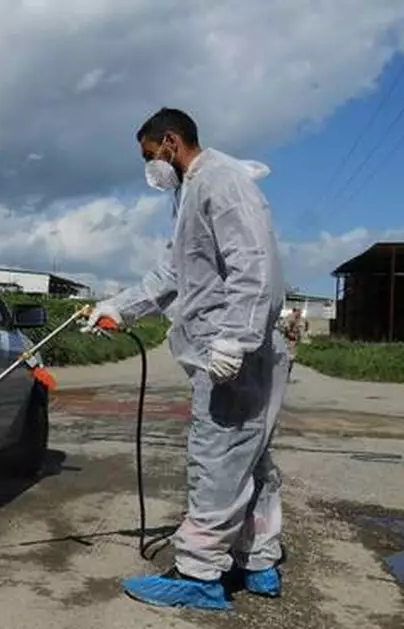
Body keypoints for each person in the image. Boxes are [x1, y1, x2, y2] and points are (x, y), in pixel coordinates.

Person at [82, 107, 290, 611]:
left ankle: (198, 574)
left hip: (233, 351)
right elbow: (170, 275)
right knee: (251, 458)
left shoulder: (220, 181)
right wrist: (116, 310)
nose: (151, 168)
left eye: (150, 156)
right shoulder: (191, 192)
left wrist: (233, 339)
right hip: (239, 349)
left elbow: (253, 261)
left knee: (217, 458)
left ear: (171, 142)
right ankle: (258, 559)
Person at [282, 307, 307, 381]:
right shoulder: (290, 317)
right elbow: (285, 328)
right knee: (287, 359)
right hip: (287, 341)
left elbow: (305, 326)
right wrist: (290, 333)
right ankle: (284, 376)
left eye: (300, 311)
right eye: (298, 311)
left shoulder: (301, 319)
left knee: (291, 360)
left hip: (294, 342)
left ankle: (287, 376)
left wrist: (301, 333)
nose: (300, 313)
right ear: (294, 311)